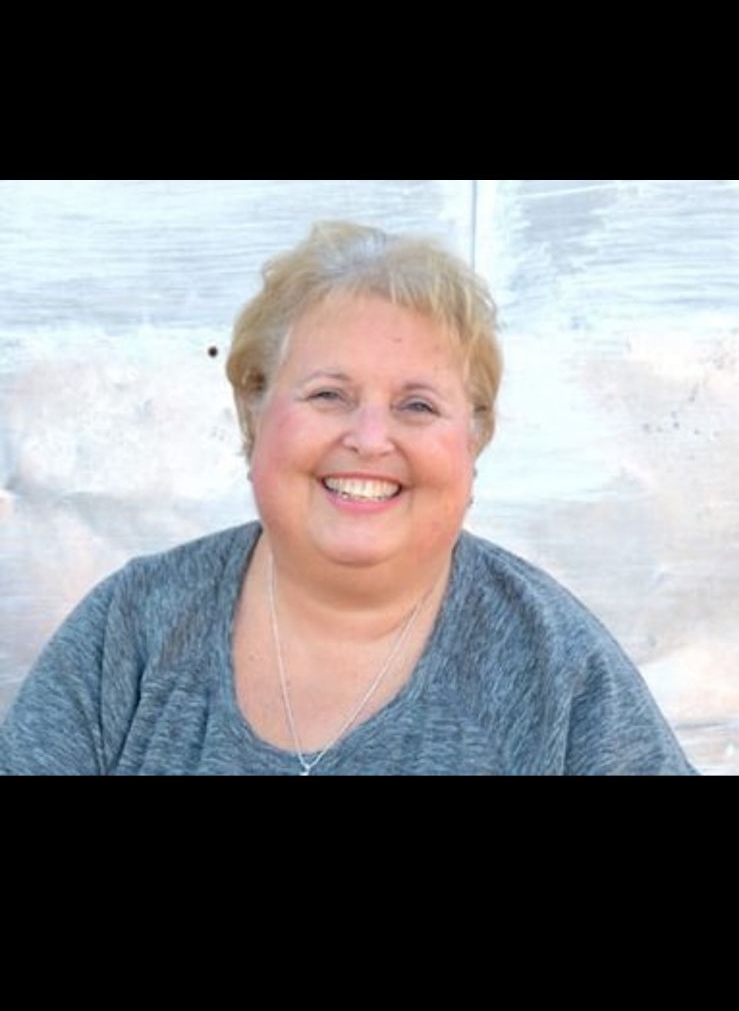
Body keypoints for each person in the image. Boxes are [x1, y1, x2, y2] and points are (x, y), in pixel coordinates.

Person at [0, 220, 699, 775]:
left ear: (474, 439)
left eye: (417, 405)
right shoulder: (131, 629)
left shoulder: (559, 673)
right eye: (329, 394)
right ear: (255, 411)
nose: (368, 438)